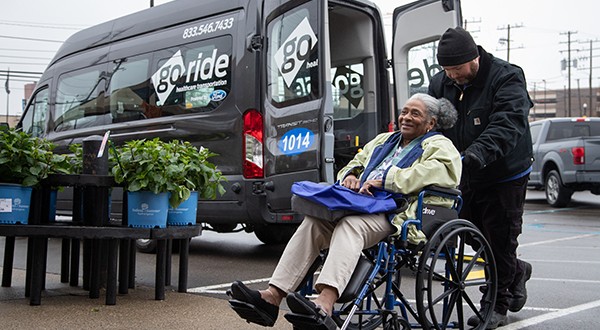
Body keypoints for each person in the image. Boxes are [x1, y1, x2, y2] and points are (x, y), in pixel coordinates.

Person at [227, 93, 461, 329]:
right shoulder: (385, 140)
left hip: (397, 213)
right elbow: (354, 164)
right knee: (313, 223)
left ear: (431, 123)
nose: (406, 117)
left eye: (415, 113)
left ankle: (325, 303)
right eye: (404, 111)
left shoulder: (440, 146)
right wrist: (350, 176)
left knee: (351, 226)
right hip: (361, 204)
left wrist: (386, 180)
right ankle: (272, 296)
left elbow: (440, 173)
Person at [428, 26, 534, 329]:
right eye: (446, 69)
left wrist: (475, 154)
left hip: (505, 173)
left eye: (457, 69)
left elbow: (507, 123)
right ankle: (516, 271)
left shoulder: (506, 77)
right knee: (475, 236)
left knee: (500, 239)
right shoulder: (441, 83)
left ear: (473, 58)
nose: (452, 76)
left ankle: (496, 307)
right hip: (463, 173)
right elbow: (432, 121)